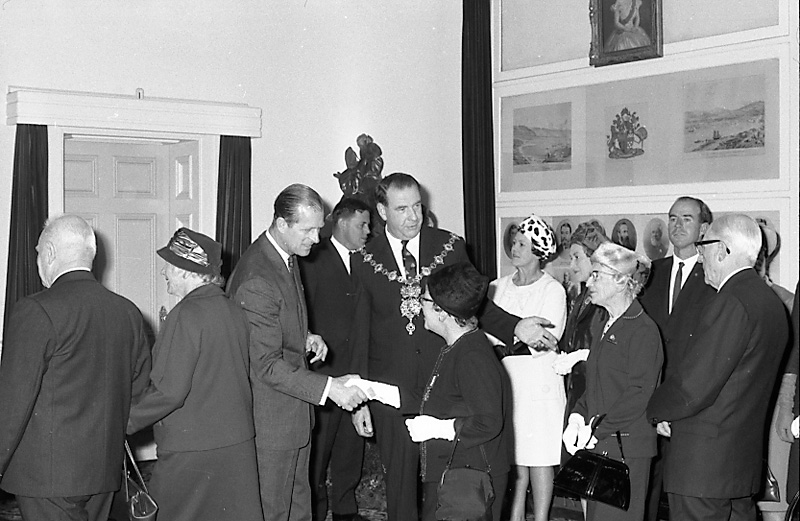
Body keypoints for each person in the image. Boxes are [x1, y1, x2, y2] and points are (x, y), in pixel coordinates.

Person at [351, 173, 558, 521]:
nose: (414, 217)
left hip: (445, 385)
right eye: (402, 209)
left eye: (418, 206)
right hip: (391, 393)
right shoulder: (363, 260)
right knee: (399, 488)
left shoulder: (448, 245)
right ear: (382, 211)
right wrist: (358, 399)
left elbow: (476, 302)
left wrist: (515, 326)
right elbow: (359, 333)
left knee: (448, 486)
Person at [226, 184, 368, 521]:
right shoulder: (258, 275)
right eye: (308, 229)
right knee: (277, 511)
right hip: (272, 422)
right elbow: (265, 366)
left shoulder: (282, 257)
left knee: (298, 509)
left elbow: (270, 322)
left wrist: (303, 335)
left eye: (319, 228)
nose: (317, 238)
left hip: (290, 418)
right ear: (281, 224)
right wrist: (329, 388)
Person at [0, 215, 151, 521]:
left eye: (39, 253)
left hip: (47, 478)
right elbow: (139, 393)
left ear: (51, 253)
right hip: (103, 471)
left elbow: (12, 405)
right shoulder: (128, 312)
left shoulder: (36, 310)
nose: (39, 261)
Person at [647, 214, 790, 521]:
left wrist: (656, 408)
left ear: (722, 249)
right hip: (738, 466)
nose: (700, 258)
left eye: (703, 247)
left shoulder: (731, 301)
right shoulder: (770, 304)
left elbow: (694, 385)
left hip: (703, 469)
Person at [127, 228, 262, 521]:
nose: (165, 272)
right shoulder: (234, 311)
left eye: (171, 266)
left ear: (189, 272)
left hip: (191, 452)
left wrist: (124, 421)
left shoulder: (185, 315)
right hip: (236, 445)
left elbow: (169, 392)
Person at [563, 242, 663, 521]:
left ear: (621, 281)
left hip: (626, 448)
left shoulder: (642, 329)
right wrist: (577, 417)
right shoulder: (607, 324)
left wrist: (595, 429)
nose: (589, 282)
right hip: (605, 443)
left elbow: (639, 394)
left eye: (597, 275)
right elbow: (595, 383)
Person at [404, 262, 511, 521]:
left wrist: (438, 429)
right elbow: (435, 397)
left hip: (469, 478)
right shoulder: (458, 347)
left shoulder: (471, 355)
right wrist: (373, 390)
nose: (419, 307)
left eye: (424, 300)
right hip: (456, 473)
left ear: (442, 312)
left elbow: (488, 422)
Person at [638, 196, 716, 521]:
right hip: (650, 399)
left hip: (690, 402)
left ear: (704, 227)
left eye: (687, 218)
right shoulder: (650, 274)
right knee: (648, 492)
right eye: (672, 218)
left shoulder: (714, 276)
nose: (677, 225)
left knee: (684, 497)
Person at [488, 213, 566, 521]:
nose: (514, 248)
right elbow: (484, 331)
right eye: (514, 242)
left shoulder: (552, 290)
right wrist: (513, 336)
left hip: (539, 383)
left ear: (538, 251)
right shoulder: (497, 287)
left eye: (522, 243)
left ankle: (542, 517)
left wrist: (506, 341)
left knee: (540, 458)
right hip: (506, 382)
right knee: (515, 459)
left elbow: (547, 339)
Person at [300, 198, 372, 521]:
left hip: (355, 371)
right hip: (324, 375)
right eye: (363, 225)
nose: (368, 232)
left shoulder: (367, 262)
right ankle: (315, 513)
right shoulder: (313, 259)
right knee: (319, 451)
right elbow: (304, 314)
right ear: (341, 223)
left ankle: (345, 510)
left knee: (350, 447)